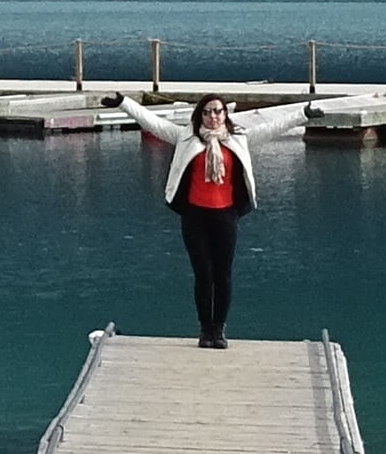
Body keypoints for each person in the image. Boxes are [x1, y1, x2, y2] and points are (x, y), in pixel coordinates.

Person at [119, 92, 280, 349]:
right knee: (203, 274)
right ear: (200, 116)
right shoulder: (186, 137)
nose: (213, 116)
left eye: (217, 111)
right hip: (195, 216)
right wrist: (123, 103)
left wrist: (303, 116)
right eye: (207, 112)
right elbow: (153, 123)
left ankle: (220, 329)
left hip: (225, 215)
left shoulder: (238, 138)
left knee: (223, 275)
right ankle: (205, 329)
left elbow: (273, 128)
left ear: (225, 115)